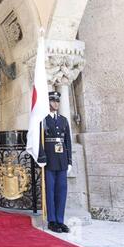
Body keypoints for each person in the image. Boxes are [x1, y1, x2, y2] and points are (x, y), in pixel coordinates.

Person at [38, 91, 72, 233]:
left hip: (62, 160)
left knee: (62, 191)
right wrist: (41, 157)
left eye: (57, 101)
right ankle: (52, 220)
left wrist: (69, 160)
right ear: (48, 103)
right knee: (50, 191)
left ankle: (60, 220)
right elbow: (39, 140)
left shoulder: (64, 120)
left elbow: (68, 141)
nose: (56, 103)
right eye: (53, 101)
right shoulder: (43, 120)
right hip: (50, 160)